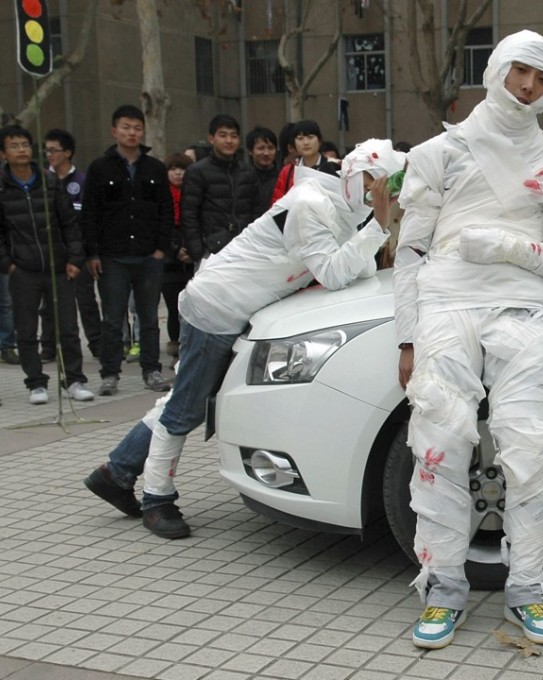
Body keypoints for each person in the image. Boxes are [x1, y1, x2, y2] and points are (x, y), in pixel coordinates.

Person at [84, 139, 406, 540]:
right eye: (383, 186)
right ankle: (156, 499)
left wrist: (374, 223)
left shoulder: (339, 208)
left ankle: (116, 473)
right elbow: (335, 273)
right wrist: (379, 221)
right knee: (185, 407)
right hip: (218, 307)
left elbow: (352, 270)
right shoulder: (312, 205)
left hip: (239, 311)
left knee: (182, 398)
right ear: (363, 178)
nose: (387, 196)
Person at [394, 29, 543, 651]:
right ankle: (442, 588)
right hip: (445, 307)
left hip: (519, 310)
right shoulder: (438, 153)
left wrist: (507, 247)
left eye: (542, 80)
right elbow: (410, 251)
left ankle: (528, 589)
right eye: (520, 72)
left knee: (530, 452)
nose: (528, 87)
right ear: (497, 69)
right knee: (439, 447)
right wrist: (406, 340)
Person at [81, 105, 173, 396]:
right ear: (114, 131)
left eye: (136, 128)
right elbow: (90, 213)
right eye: (125, 127)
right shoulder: (99, 168)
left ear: (142, 131)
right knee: (112, 319)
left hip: (148, 256)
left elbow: (166, 211)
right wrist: (92, 253)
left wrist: (161, 249)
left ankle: (151, 370)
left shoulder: (155, 168)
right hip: (112, 256)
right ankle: (109, 374)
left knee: (148, 318)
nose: (131, 133)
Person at [0, 125, 94, 404]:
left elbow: (69, 224)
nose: (21, 150)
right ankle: (36, 383)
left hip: (58, 266)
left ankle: (74, 380)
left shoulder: (49, 182)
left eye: (25, 144)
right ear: (3, 153)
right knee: (26, 329)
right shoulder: (2, 187)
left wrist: (75, 259)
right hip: (23, 270)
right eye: (14, 145)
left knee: (67, 327)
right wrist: (8, 265)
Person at [40, 129, 101, 360]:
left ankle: (97, 344)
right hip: (50, 253)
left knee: (85, 301)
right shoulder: (44, 180)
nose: (50, 155)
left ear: (68, 152)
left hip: (79, 252)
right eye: (46, 151)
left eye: (54, 150)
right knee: (48, 305)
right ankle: (47, 347)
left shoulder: (83, 182)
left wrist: (88, 252)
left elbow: (87, 219)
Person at [180, 114, 259, 264]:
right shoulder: (197, 171)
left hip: (244, 250)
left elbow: (256, 212)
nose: (229, 141)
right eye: (223, 135)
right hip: (210, 251)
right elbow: (189, 215)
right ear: (211, 138)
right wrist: (198, 252)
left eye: (234, 136)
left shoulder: (248, 172)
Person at [162, 152, 194, 358]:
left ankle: (190, 346)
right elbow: (161, 227)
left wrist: (190, 249)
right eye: (173, 169)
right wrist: (175, 249)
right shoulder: (163, 196)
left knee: (191, 308)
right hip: (169, 262)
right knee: (173, 308)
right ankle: (175, 345)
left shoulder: (194, 195)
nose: (178, 173)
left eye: (182, 169)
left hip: (191, 259)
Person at [271, 119, 335, 203]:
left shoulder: (335, 167)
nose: (305, 142)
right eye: (300, 138)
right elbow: (277, 205)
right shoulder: (288, 171)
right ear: (294, 144)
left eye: (310, 137)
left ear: (319, 141)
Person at [245, 126, 279, 216]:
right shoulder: (243, 178)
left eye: (271, 148)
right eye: (261, 148)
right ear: (250, 151)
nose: (266, 153)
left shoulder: (282, 177)